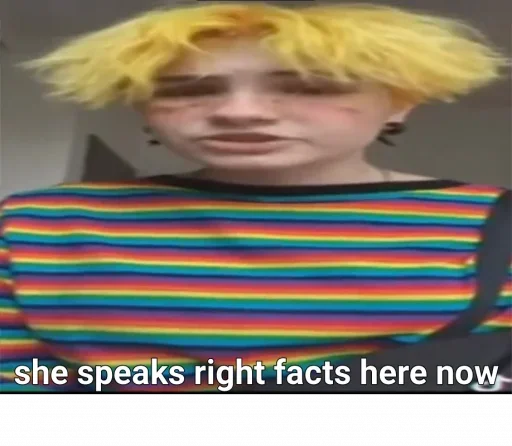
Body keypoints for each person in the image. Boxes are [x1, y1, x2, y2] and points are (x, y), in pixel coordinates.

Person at [1, 1, 510, 392]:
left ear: (400, 103)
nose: (239, 112)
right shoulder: (40, 224)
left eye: (308, 87)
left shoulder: (495, 224)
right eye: (186, 89)